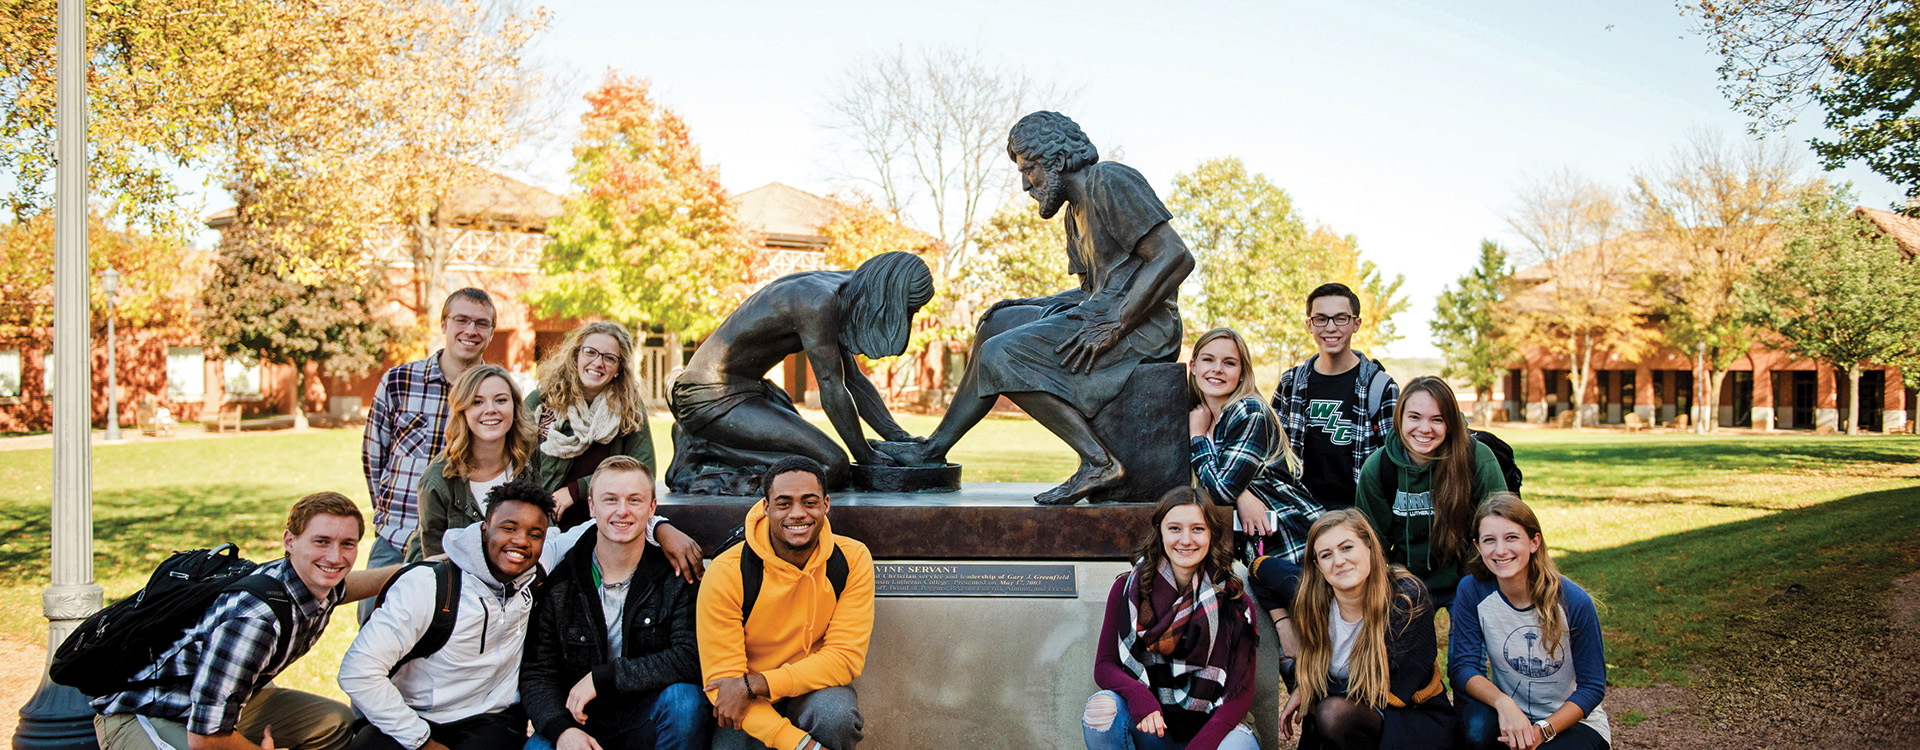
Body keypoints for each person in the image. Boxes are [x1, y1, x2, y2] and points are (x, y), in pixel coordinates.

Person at [874, 111, 1195, 506]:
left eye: (1031, 170)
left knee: (999, 356)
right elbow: (1092, 291)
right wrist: (1032, 304)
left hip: (1145, 327)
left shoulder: (1110, 181)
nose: (1027, 183)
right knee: (996, 323)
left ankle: (1098, 462)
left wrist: (1116, 321)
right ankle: (934, 449)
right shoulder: (1074, 216)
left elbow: (1174, 256)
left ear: (1058, 161)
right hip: (1106, 313)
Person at [93, 492, 395, 750]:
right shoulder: (255, 620)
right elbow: (204, 737)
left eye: (348, 544)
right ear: (290, 540)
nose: (335, 557)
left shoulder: (310, 581)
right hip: (147, 713)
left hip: (211, 706)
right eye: (322, 541)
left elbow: (346, 586)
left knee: (334, 722)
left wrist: (420, 568)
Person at [340, 481, 595, 750]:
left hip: (490, 719)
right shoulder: (427, 585)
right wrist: (423, 742)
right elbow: (358, 671)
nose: (521, 540)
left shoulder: (537, 567)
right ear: (485, 529)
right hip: (412, 714)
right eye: (508, 528)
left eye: (535, 534)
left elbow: (600, 525)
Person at [667, 251, 933, 495]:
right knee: (831, 466)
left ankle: (708, 442)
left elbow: (853, 380)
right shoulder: (818, 302)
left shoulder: (845, 292)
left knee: (822, 462)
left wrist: (898, 436)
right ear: (889, 300)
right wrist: (865, 455)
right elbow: (831, 385)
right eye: (909, 310)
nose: (907, 319)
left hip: (748, 391)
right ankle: (703, 446)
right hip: (711, 398)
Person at [521, 456, 710, 750]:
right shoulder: (562, 580)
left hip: (647, 714)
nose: (622, 511)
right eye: (610, 500)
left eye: (634, 500)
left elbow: (690, 658)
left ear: (651, 509)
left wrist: (605, 678)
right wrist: (562, 731)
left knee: (685, 703)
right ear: (592, 507)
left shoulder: (675, 575)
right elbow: (537, 673)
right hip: (582, 720)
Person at [698, 456, 875, 750]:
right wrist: (803, 746)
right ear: (766, 507)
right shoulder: (727, 571)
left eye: (809, 502)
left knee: (836, 714)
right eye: (783, 503)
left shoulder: (851, 558)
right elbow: (724, 686)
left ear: (826, 505)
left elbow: (844, 658)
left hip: (809, 690)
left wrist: (758, 683)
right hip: (747, 703)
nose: (797, 514)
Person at [1083, 487, 1260, 750]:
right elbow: (1105, 665)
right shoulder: (1126, 591)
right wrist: (1139, 696)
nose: (1186, 540)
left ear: (1211, 533)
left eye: (1197, 529)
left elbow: (1240, 695)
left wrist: (1202, 745)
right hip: (1153, 726)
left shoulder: (1234, 599)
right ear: (1160, 532)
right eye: (1175, 528)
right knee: (1101, 708)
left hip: (1218, 727)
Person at [362, 288, 497, 615]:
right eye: (461, 320)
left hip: (465, 549)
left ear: (491, 332)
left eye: (481, 323)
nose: (470, 330)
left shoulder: (498, 390)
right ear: (443, 324)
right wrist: (386, 515)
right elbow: (373, 456)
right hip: (396, 538)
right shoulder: (399, 381)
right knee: (375, 638)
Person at [1280, 509, 1452, 750]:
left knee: (1332, 712)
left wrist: (1309, 688)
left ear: (1369, 546)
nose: (1339, 561)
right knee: (1330, 713)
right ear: (1317, 566)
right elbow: (1258, 570)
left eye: (1347, 547)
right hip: (1349, 724)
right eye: (1326, 555)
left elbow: (1388, 690)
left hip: (1414, 721)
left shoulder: (1406, 597)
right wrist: (1280, 622)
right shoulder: (1315, 602)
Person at [1450, 494, 1610, 750]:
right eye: (1489, 540)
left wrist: (1543, 730)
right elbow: (1463, 666)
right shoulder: (1472, 591)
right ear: (1478, 548)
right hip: (1511, 714)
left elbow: (1592, 687)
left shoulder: (1574, 601)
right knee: (1476, 731)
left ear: (1534, 542)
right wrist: (1504, 704)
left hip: (1569, 723)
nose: (1500, 550)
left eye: (1511, 537)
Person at [1355, 375, 1509, 610]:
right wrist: (1392, 582)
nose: (1424, 429)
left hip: (1468, 578)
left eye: (1437, 419)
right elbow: (1373, 544)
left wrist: (1475, 582)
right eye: (1414, 417)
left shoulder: (1476, 459)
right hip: (1404, 583)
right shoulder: (1378, 468)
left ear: (1450, 424)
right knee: (1403, 646)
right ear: (1399, 418)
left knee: (1468, 646)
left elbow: (1499, 528)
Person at [1187, 327, 1322, 563]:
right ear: (1193, 366)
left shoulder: (1248, 411)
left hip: (1293, 542)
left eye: (1229, 363)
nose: (1217, 369)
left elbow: (1222, 491)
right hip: (1250, 547)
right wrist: (1242, 495)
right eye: (1208, 359)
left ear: (1242, 373)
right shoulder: (1196, 415)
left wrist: (1198, 438)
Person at [1269, 283, 1398, 512]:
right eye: (1321, 319)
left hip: (1358, 517)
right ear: (1309, 324)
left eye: (1341, 318)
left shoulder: (1380, 388)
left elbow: (1395, 461)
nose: (1330, 327)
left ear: (1356, 323)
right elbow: (1272, 452)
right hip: (1302, 513)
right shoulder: (1291, 384)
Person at [528, 321, 657, 528]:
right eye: (590, 352)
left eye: (609, 358)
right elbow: (513, 464)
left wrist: (577, 490)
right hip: (542, 522)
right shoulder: (542, 402)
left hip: (603, 527)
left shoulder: (628, 408)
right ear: (576, 355)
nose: (598, 363)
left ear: (618, 368)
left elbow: (643, 472)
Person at [409, 364, 534, 561]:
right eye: (477, 402)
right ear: (462, 410)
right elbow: (434, 565)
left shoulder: (529, 460)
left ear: (515, 407)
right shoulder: (436, 482)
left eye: (501, 400)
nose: (490, 410)